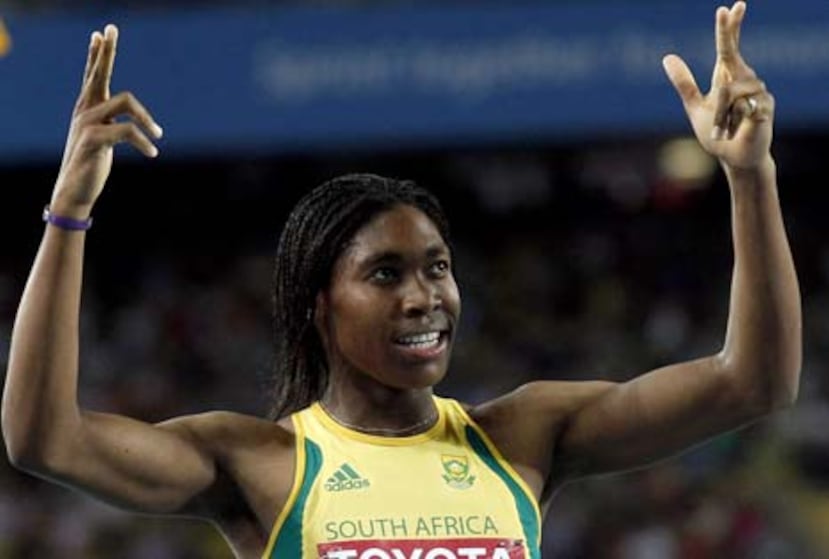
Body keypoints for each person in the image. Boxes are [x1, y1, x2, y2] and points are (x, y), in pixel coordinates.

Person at [1, 2, 801, 558]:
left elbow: (752, 383)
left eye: (436, 267)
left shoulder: (522, 436)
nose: (424, 297)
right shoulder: (261, 461)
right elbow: (44, 439)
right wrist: (67, 214)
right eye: (384, 274)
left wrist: (750, 176)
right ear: (319, 304)